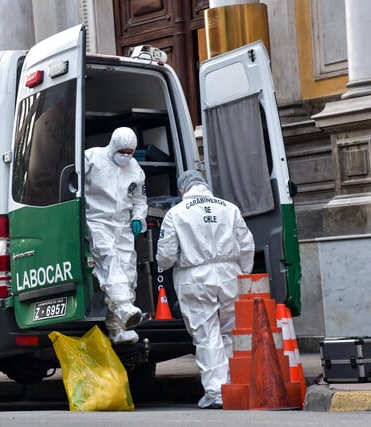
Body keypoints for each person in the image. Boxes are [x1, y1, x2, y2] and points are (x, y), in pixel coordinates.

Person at [156, 170, 254, 409]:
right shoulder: (229, 208)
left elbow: (166, 256)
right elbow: (246, 245)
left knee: (207, 334)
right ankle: (236, 386)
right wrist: (242, 274)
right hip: (231, 274)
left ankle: (217, 393)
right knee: (231, 332)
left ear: (183, 189)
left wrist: (167, 263)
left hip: (196, 276)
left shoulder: (175, 214)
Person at [85, 127, 147, 344]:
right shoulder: (92, 158)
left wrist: (138, 218)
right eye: (123, 151)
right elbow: (73, 188)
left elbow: (139, 199)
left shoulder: (135, 169)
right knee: (109, 262)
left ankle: (117, 328)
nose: (126, 155)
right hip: (97, 221)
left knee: (128, 272)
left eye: (130, 152)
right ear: (113, 145)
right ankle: (123, 309)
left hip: (122, 226)